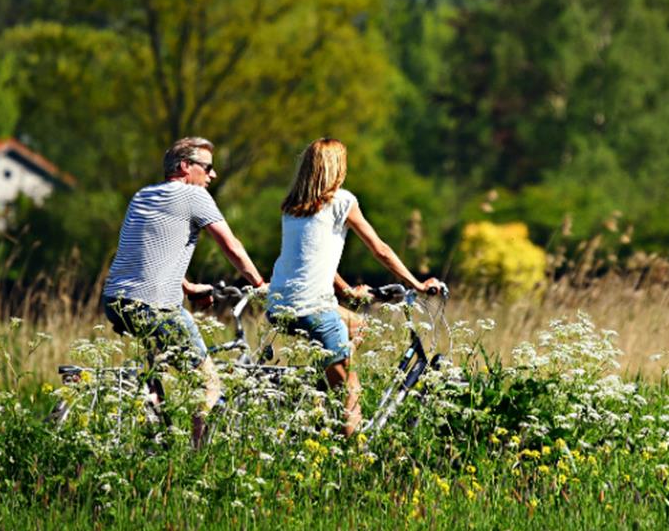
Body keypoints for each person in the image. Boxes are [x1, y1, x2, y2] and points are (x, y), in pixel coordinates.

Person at [267, 137, 443, 437]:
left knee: (357, 324)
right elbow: (380, 249)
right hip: (313, 307)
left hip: (279, 303)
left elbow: (311, 258)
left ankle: (320, 397)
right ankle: (354, 461)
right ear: (337, 168)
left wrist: (346, 290)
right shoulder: (342, 201)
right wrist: (417, 284)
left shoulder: (292, 207)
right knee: (352, 390)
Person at [102, 137, 266, 443]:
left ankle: (153, 434)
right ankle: (196, 459)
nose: (212, 176)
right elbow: (231, 246)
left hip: (114, 300)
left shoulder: (142, 196)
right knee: (208, 384)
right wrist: (258, 283)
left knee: (156, 376)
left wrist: (188, 286)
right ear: (185, 167)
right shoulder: (194, 196)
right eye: (207, 168)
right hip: (154, 306)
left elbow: (150, 252)